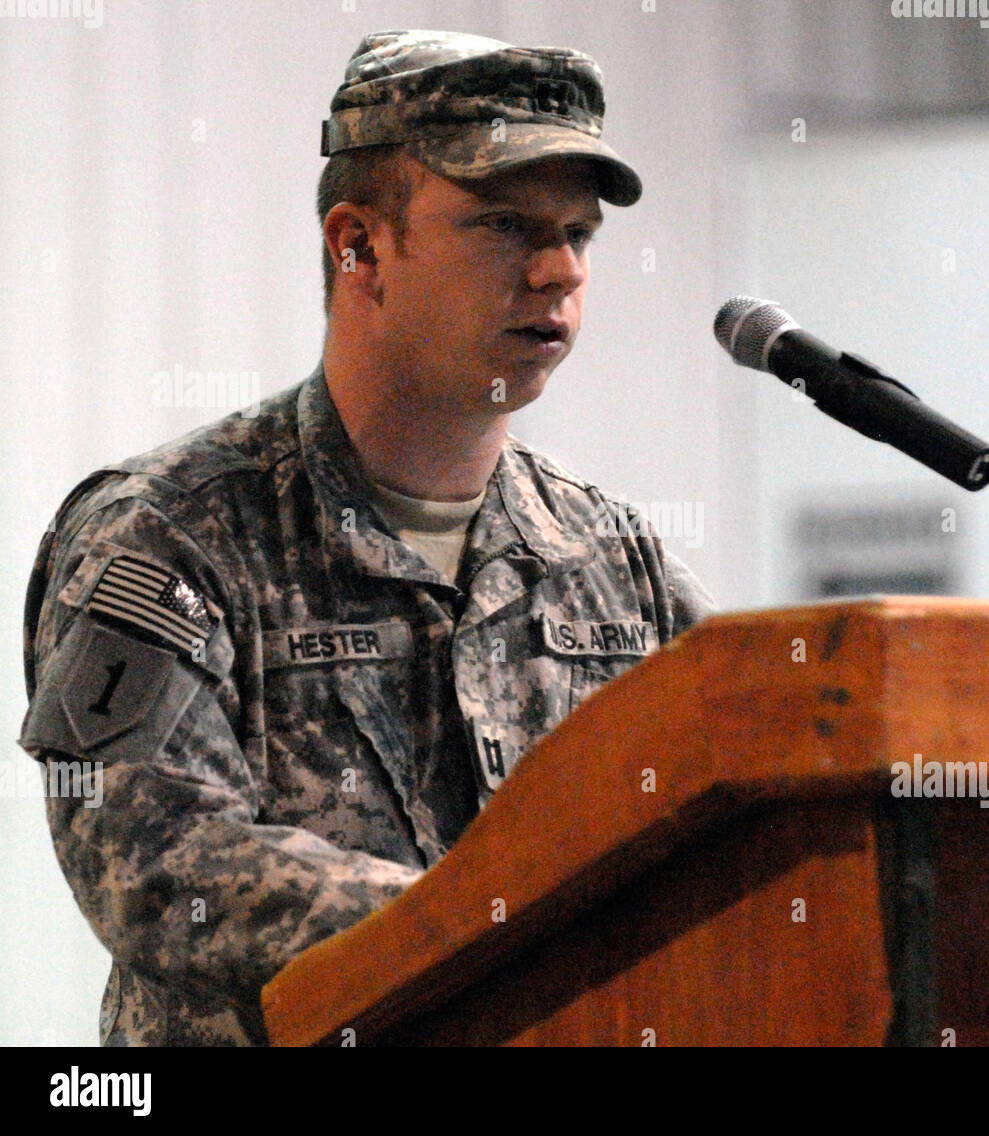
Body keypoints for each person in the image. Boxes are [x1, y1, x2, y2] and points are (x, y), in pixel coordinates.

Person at [20, 29, 713, 1046]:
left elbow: (731, 811)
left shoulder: (616, 558)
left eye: (579, 232)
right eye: (503, 223)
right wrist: (489, 918)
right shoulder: (169, 533)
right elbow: (154, 862)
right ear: (359, 247)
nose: (558, 269)